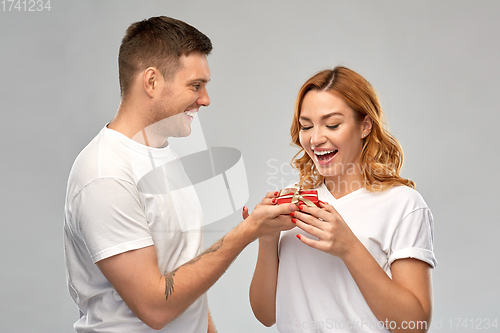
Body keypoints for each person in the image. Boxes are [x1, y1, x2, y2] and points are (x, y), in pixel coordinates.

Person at [63, 16, 296, 333]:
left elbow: (183, 276)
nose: (206, 99)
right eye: (195, 86)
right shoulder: (105, 175)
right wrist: (247, 231)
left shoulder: (161, 154)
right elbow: (156, 307)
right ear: (152, 82)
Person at [249, 66, 437, 332]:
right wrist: (266, 239)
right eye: (306, 126)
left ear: (365, 125)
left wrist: (349, 247)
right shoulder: (293, 201)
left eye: (333, 124)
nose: (315, 139)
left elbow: (414, 325)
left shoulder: (403, 205)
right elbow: (266, 315)